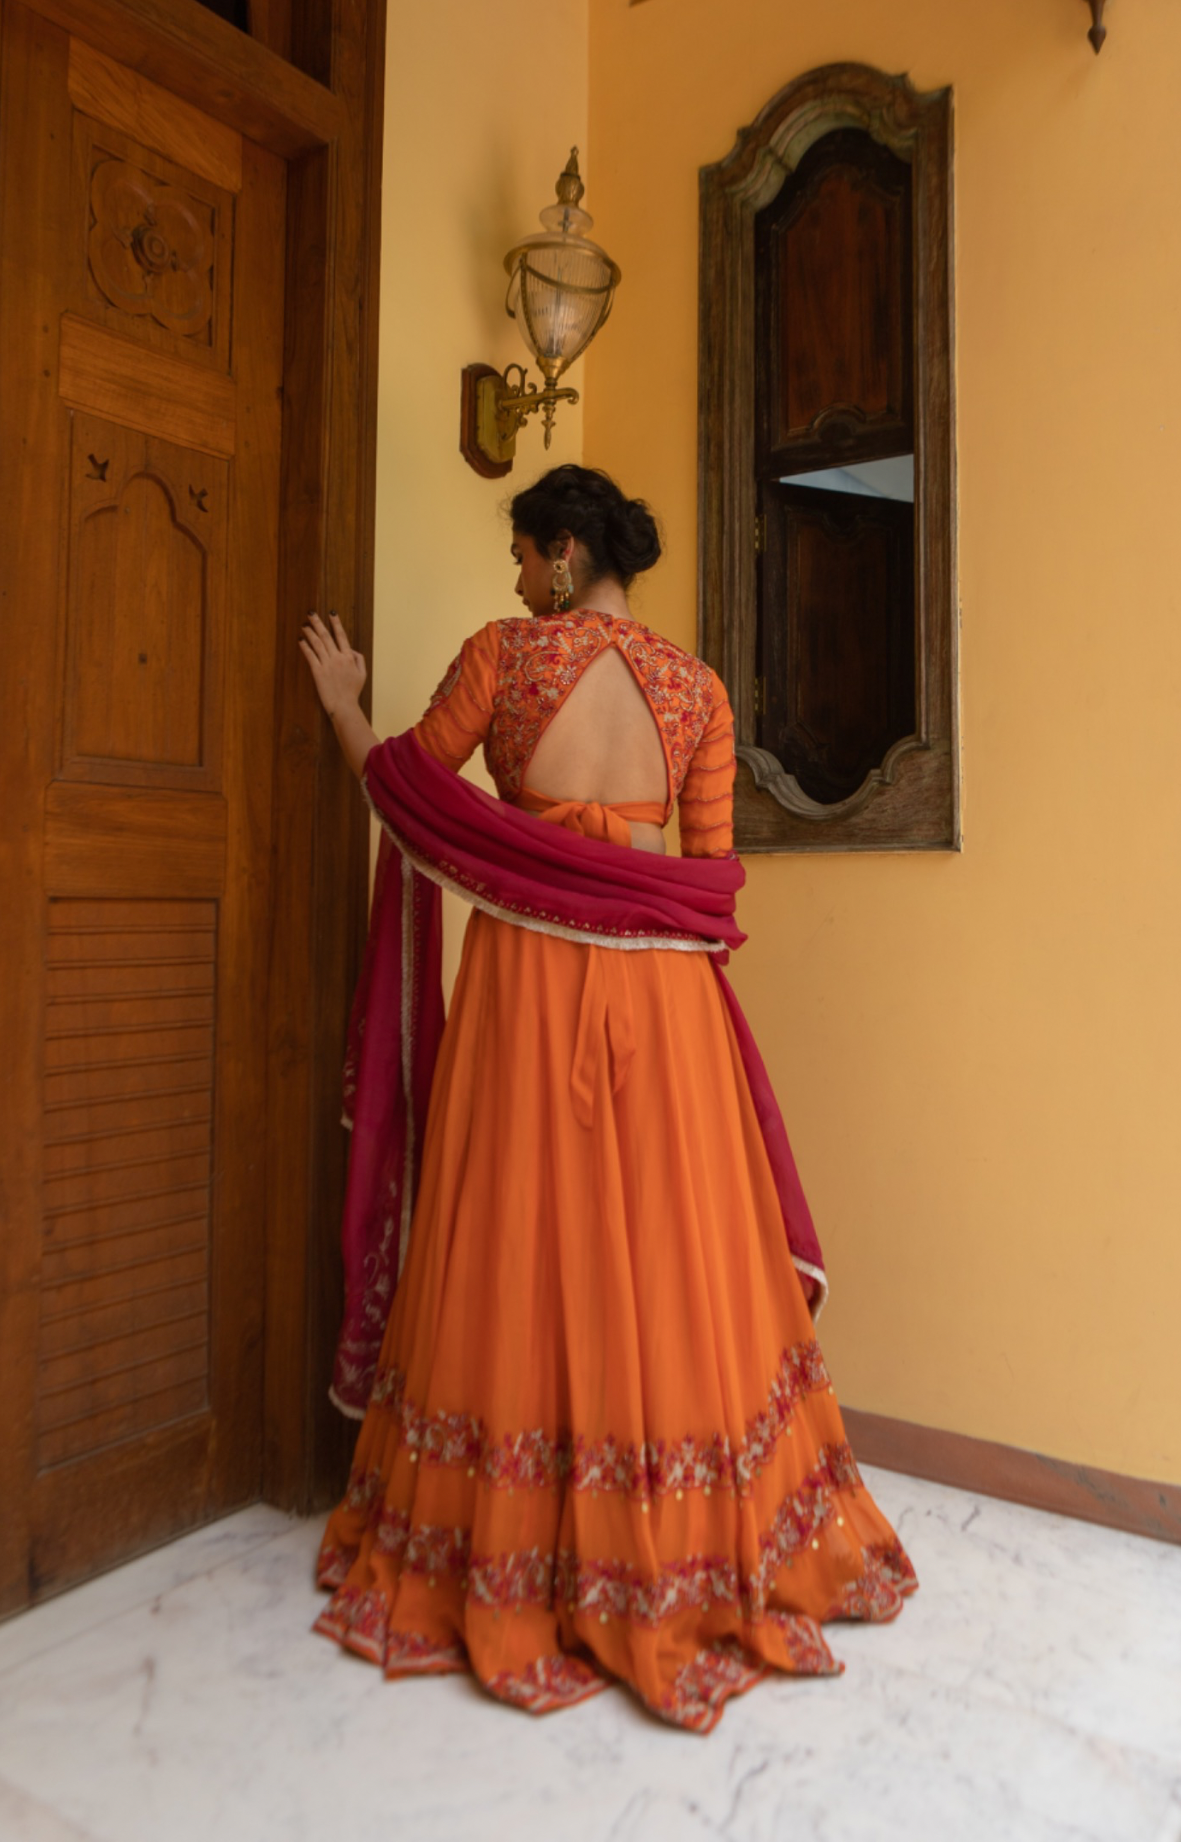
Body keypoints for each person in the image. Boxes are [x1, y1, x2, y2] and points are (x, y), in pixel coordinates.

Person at [297, 464, 914, 1733]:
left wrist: (344, 712)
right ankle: (685, 1538)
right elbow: (706, 877)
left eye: (523, 554)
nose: (515, 578)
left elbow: (412, 797)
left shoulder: (504, 656)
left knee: (523, 1244)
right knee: (667, 1252)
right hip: (667, 1007)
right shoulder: (701, 691)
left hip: (531, 983)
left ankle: (521, 1547)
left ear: (565, 551)